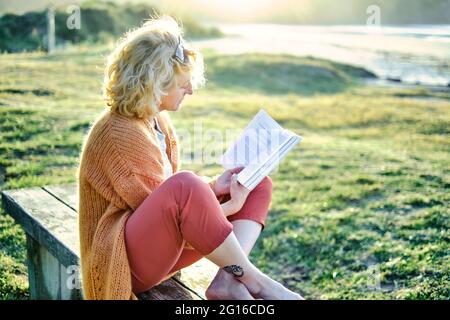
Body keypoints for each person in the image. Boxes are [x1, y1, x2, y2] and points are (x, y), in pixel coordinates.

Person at [77, 15, 303, 300]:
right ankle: (256, 282)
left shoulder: (156, 119)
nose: (191, 90)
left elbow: (166, 207)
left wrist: (216, 189)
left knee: (256, 183)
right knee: (187, 184)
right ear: (156, 82)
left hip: (159, 248)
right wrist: (230, 205)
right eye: (184, 83)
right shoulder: (119, 133)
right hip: (124, 262)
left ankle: (228, 281)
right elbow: (173, 218)